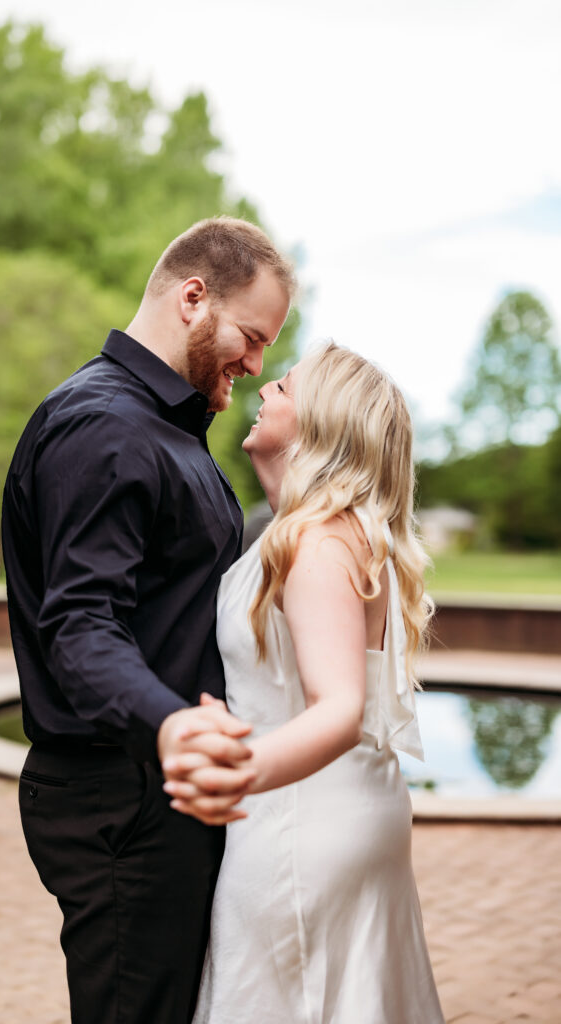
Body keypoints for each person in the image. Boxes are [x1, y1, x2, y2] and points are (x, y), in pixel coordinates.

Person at [1, 216, 295, 1024]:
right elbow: (80, 627)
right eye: (251, 335)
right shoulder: (105, 426)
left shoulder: (171, 430)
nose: (256, 362)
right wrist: (169, 727)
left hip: (160, 791)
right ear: (193, 298)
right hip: (122, 797)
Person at [163, 342, 446, 1023]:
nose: (263, 391)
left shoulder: (317, 539)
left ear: (321, 422)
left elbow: (341, 705)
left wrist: (234, 774)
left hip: (298, 823)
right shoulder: (325, 531)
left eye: (284, 387)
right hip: (337, 811)